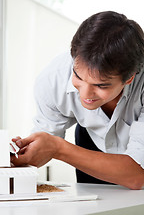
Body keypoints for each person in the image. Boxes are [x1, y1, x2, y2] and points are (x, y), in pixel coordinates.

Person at [11, 11, 144, 189]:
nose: (86, 94)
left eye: (101, 85)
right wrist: (21, 155)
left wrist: (58, 148)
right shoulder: (53, 79)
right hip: (92, 143)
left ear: (129, 78)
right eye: (78, 77)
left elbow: (137, 176)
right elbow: (46, 141)